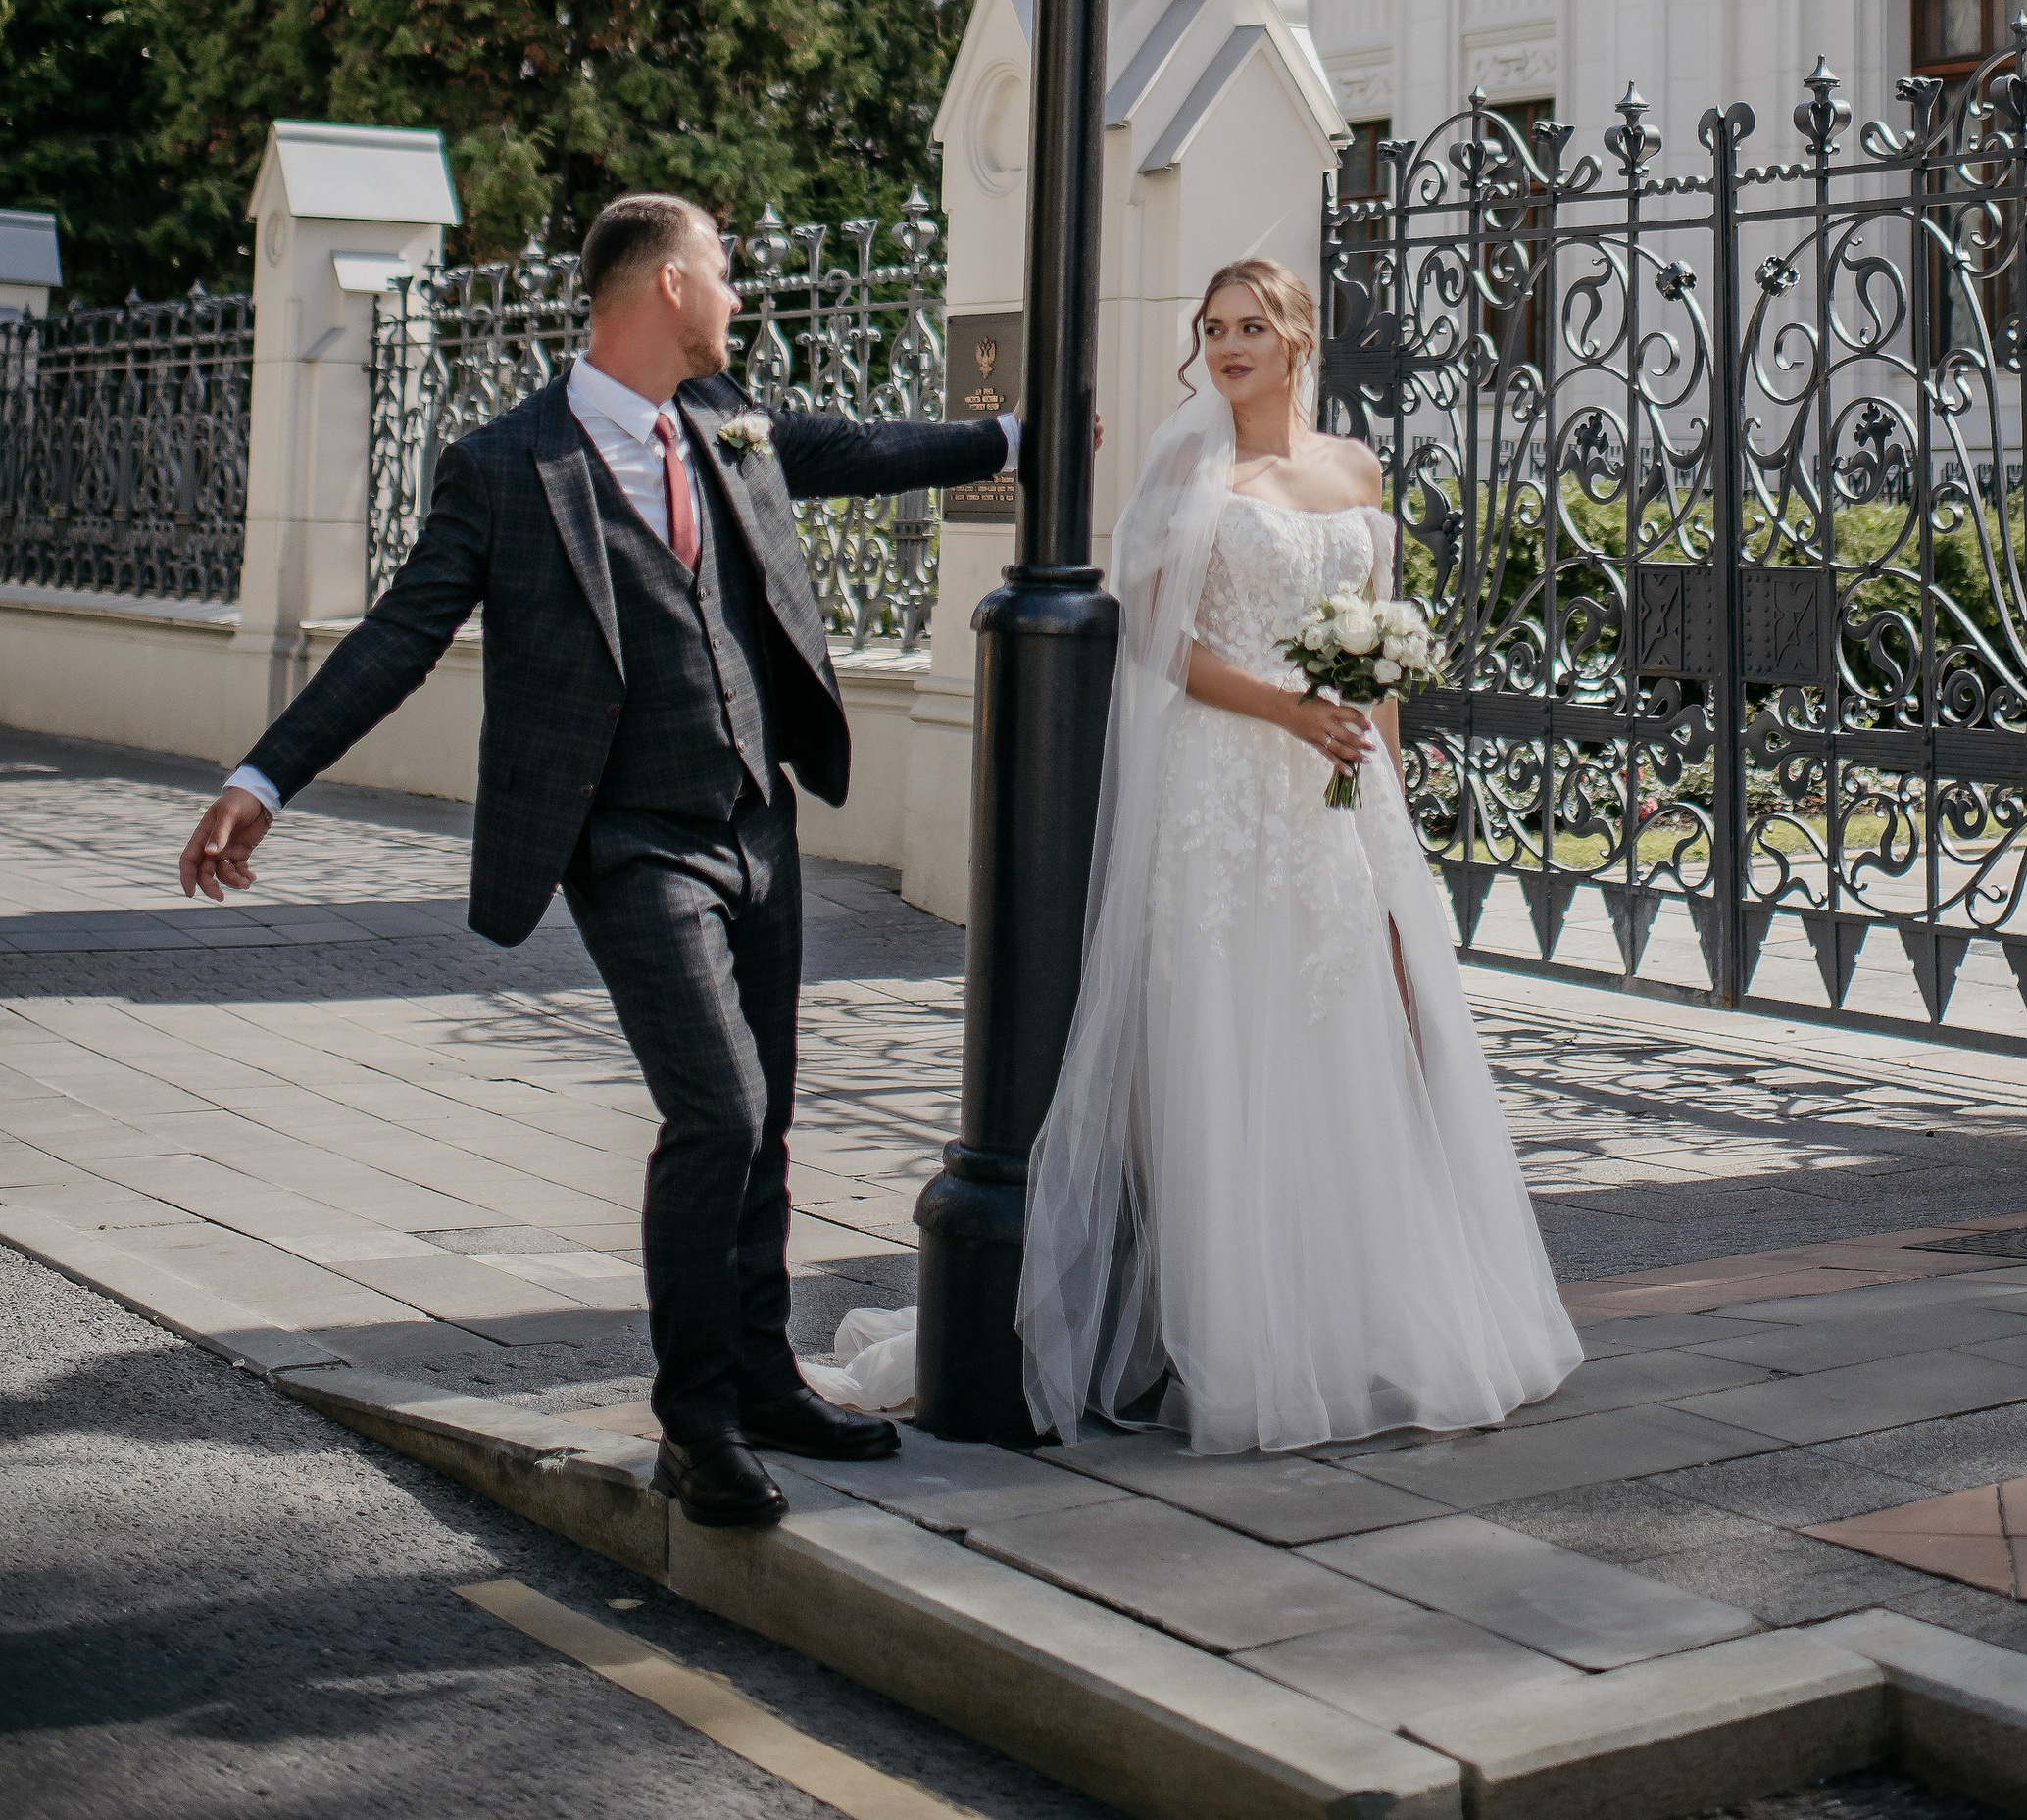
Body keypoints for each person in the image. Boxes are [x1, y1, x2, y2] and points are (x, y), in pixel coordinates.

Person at [173, 191, 1020, 1532]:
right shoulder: (508, 462)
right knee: (719, 1110)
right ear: (668, 283)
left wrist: (1019, 433)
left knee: (769, 1122)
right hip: (627, 841)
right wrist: (262, 774)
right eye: (724, 272)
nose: (738, 293)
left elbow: (854, 446)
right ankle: (695, 1424)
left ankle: (761, 1377)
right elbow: (400, 632)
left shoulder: (723, 422)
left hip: (757, 822)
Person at [1015, 256, 1580, 1454]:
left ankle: (1363, 1325)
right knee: (1237, 1044)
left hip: (1338, 794)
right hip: (1225, 783)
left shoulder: (1356, 468)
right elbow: (1162, 646)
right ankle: (1248, 1349)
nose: (1228, 345)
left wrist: (1386, 794)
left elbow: (1376, 660)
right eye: (1212, 326)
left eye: (1251, 326)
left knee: (1350, 1042)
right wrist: (1283, 711)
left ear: (1296, 340)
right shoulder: (1191, 467)